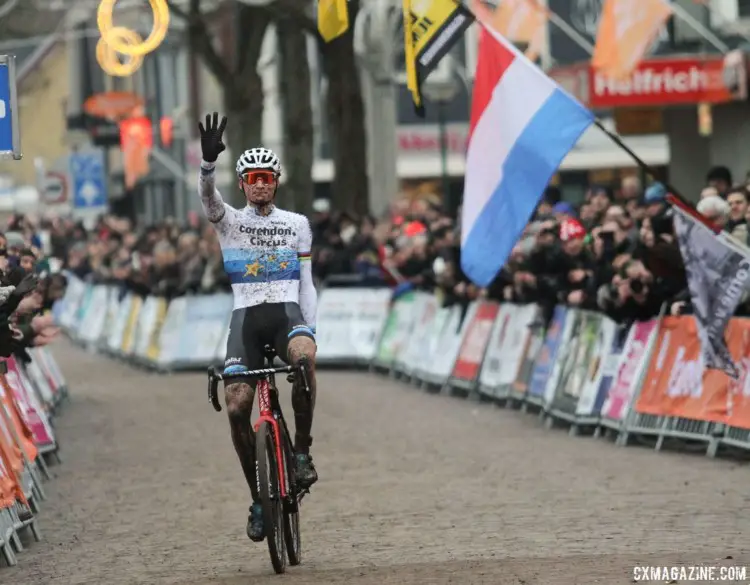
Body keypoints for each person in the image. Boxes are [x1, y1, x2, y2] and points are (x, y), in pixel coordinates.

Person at [197, 112, 319, 543]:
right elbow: (209, 200)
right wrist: (208, 165)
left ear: (277, 181)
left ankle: (301, 451)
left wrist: (311, 329)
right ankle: (256, 497)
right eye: (253, 178)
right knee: (235, 407)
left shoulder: (296, 224)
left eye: (267, 177)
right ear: (244, 183)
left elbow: (306, 284)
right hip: (246, 320)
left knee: (304, 361)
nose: (261, 184)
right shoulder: (229, 220)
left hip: (286, 313)